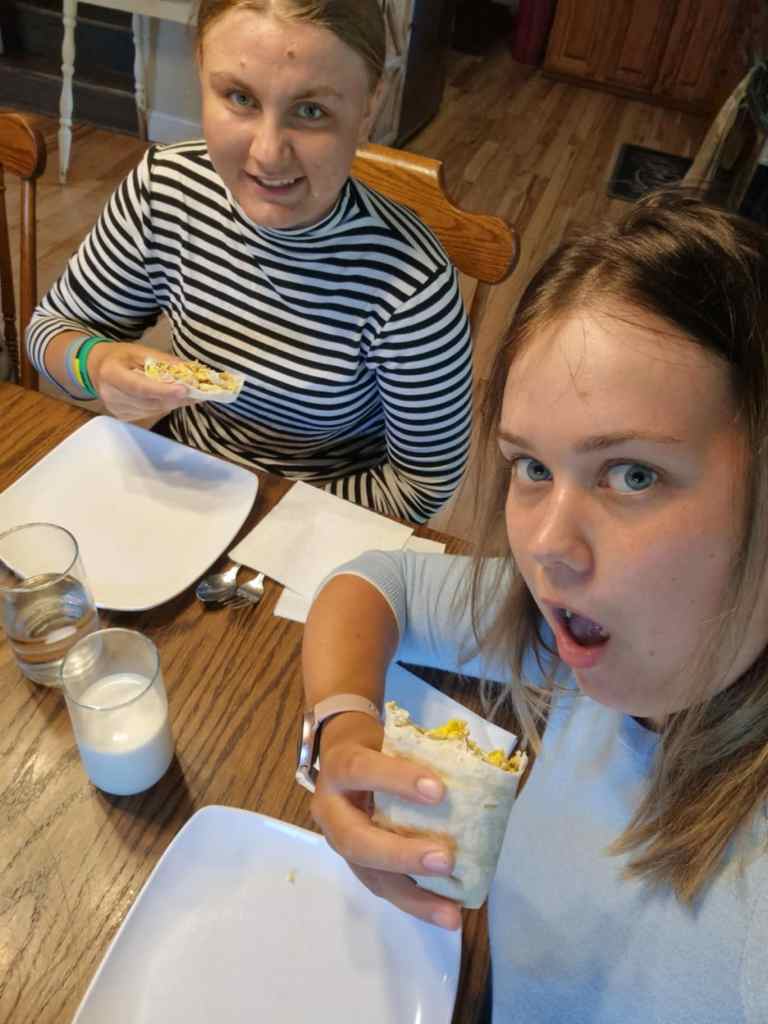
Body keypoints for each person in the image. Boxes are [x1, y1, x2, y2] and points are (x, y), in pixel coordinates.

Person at [301, 189, 768, 1022]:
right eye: (532, 468)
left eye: (632, 475)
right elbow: (378, 583)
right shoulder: (595, 636)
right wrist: (341, 726)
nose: (548, 545)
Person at [26, 0, 472, 524]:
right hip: (181, 480)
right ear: (200, 71)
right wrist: (95, 363)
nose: (267, 154)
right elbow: (50, 329)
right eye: (240, 98)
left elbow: (423, 484)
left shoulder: (412, 285)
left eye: (311, 111)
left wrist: (262, 513)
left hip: (319, 518)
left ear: (370, 106)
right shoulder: (165, 192)